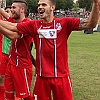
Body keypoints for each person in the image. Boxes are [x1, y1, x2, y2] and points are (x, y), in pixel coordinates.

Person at [0, 0, 100, 100]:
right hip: (41, 77)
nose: (39, 7)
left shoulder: (64, 23)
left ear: (52, 7)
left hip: (61, 77)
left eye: (43, 4)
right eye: (39, 5)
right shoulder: (34, 25)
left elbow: (90, 23)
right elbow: (13, 26)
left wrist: (96, 4)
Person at [0, 0, 33, 100]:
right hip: (12, 63)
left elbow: (13, 35)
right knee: (8, 93)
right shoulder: (14, 21)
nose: (11, 10)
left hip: (22, 65)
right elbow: (7, 16)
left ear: (22, 10)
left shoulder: (28, 23)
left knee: (25, 95)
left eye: (14, 8)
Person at [0, 6, 13, 100]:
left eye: (10, 10)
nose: (8, 12)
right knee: (2, 77)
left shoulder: (18, 24)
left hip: (15, 57)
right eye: (7, 11)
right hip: (4, 54)